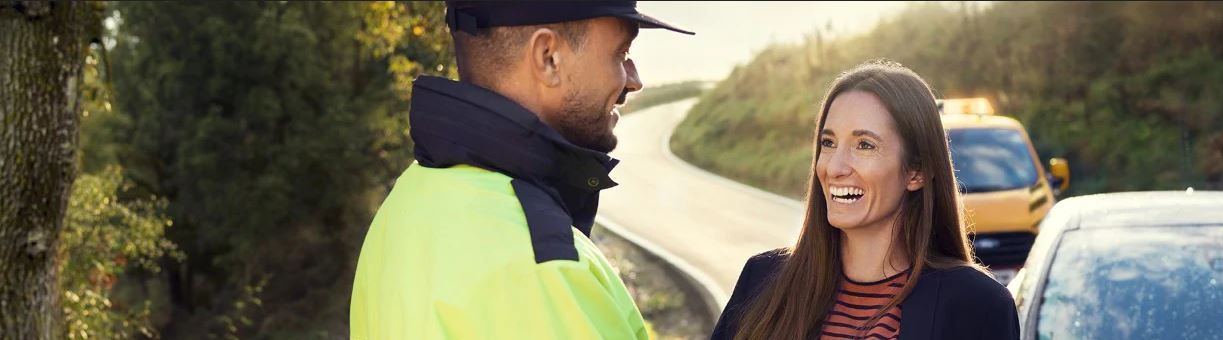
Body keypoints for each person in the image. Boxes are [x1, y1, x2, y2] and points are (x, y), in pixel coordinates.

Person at [349, 2, 692, 339]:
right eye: (621, 53)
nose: (635, 80)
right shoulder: (545, 264)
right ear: (548, 58)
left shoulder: (405, 203)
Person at [710, 60, 1020, 340]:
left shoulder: (977, 305)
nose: (834, 167)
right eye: (828, 143)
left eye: (864, 145)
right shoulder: (761, 280)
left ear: (917, 171)